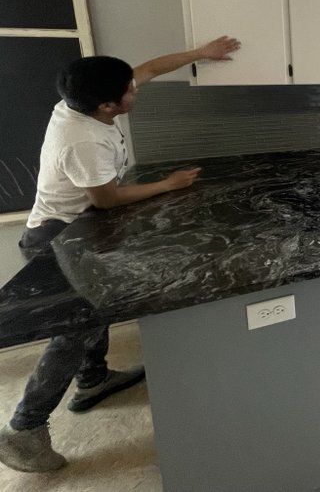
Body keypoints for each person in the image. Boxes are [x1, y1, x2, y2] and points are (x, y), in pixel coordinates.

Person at [0, 36, 240, 473]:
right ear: (109, 107)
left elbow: (147, 66)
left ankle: (92, 381)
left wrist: (202, 53)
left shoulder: (83, 101)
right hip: (56, 235)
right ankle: (24, 430)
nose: (137, 88)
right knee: (74, 328)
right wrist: (170, 184)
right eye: (130, 91)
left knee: (97, 309)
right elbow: (108, 199)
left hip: (77, 223)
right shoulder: (83, 141)